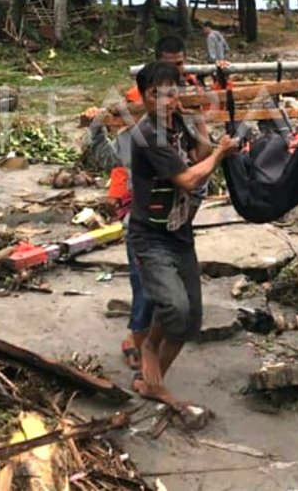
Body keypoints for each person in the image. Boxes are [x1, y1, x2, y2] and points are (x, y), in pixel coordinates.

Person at [128, 61, 238, 419]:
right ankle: (147, 348)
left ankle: (152, 384)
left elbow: (198, 156)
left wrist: (202, 124)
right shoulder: (147, 135)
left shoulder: (177, 125)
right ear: (143, 97)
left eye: (171, 92)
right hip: (151, 236)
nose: (165, 100)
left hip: (180, 233)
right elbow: (189, 179)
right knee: (174, 306)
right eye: (155, 94)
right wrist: (222, 153)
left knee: (191, 320)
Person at [89, 35, 204, 372]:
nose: (179, 70)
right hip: (141, 216)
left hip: (176, 218)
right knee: (148, 289)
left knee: (167, 294)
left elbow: (200, 154)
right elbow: (113, 158)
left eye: (182, 65)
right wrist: (97, 123)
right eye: (172, 63)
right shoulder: (137, 120)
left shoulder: (185, 106)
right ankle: (137, 343)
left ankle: (149, 351)